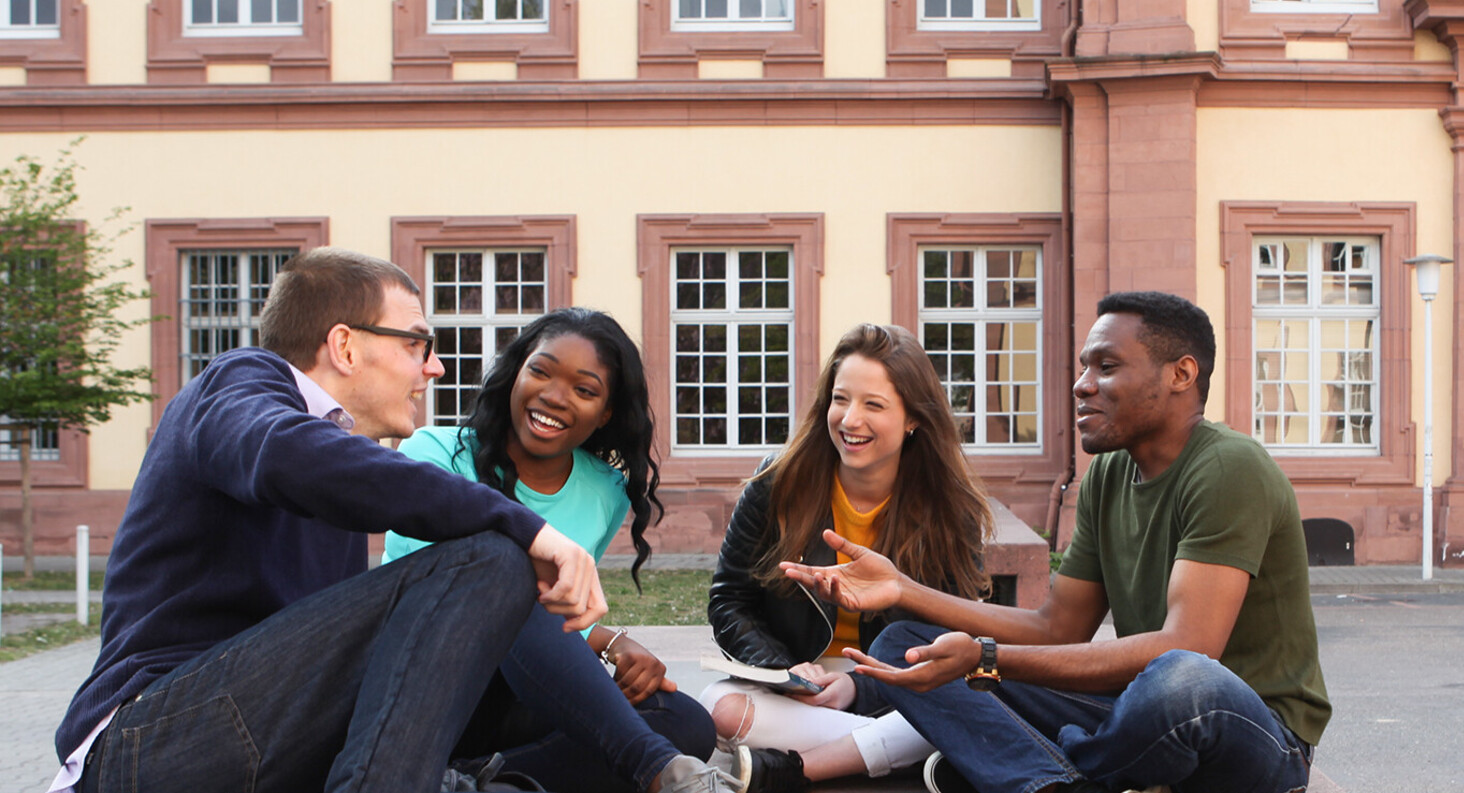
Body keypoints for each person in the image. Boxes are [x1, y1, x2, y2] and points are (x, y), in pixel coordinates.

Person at [48, 248, 735, 793]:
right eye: (415, 343)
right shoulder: (239, 385)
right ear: (345, 346)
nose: (434, 367)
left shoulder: (341, 456)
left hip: (274, 729)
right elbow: (280, 453)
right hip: (150, 739)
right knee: (492, 554)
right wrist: (527, 527)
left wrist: (595, 657)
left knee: (662, 716)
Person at [782, 292, 1331, 793]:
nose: (1082, 383)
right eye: (1085, 365)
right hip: (1132, 716)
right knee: (902, 643)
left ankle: (1032, 768)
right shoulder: (1108, 476)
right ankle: (1050, 783)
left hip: (1251, 735)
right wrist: (903, 590)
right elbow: (1056, 629)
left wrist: (987, 659)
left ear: (1181, 374)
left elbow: (1189, 646)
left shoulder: (1229, 466)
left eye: (1107, 366)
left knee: (1178, 677)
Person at [382, 307, 723, 792]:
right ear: (515, 372)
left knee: (684, 721)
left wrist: (612, 642)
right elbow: (454, 600)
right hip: (421, 690)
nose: (554, 396)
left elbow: (550, 617)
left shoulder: (604, 489)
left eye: (584, 390)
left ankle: (470, 782)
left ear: (606, 412)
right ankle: (657, 770)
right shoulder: (434, 453)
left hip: (510, 703)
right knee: (507, 573)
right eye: (539, 371)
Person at [702, 323, 993, 792]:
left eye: (873, 405)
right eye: (841, 399)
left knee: (974, 698)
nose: (849, 420)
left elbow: (953, 633)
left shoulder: (949, 508)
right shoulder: (776, 482)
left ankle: (797, 768)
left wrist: (863, 686)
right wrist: (784, 669)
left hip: (896, 693)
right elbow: (729, 600)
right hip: (801, 690)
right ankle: (920, 751)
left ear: (914, 418)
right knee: (719, 706)